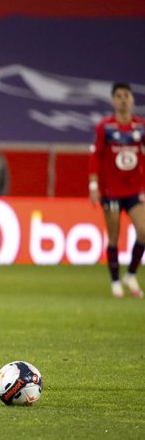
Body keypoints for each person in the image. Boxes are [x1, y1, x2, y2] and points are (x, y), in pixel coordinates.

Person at [88, 82, 144, 299]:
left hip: (135, 190)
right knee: (113, 237)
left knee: (144, 232)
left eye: (126, 95)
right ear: (113, 101)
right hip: (111, 191)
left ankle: (130, 274)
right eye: (119, 96)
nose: (123, 99)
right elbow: (95, 157)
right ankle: (114, 281)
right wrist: (93, 186)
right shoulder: (105, 127)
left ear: (132, 99)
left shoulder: (141, 127)